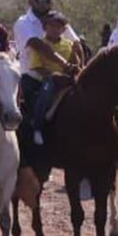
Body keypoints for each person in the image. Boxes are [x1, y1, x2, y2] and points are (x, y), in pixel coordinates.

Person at [26, 11, 81, 145]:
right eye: (51, 26)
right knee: (46, 90)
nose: (55, 29)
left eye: (58, 27)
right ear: (45, 27)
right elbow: (37, 67)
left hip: (67, 79)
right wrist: (53, 76)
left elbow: (75, 64)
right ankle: (37, 128)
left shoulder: (68, 44)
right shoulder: (40, 44)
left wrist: (74, 52)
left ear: (63, 29)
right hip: (49, 79)